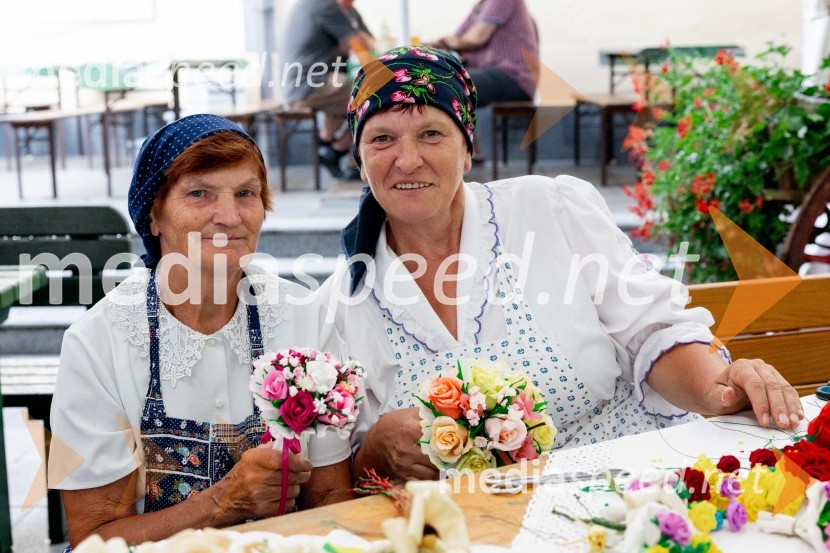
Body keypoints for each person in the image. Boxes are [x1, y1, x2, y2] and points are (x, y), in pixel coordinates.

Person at [302, 46, 804, 498]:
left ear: (467, 146)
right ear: (361, 159)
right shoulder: (340, 305)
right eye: (382, 139)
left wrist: (720, 388)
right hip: (469, 528)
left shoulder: (548, 209)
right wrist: (373, 453)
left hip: (627, 491)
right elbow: (337, 477)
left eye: (431, 133)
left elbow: (653, 333)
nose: (406, 160)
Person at [49, 114, 329, 547]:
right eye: (199, 193)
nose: (229, 216)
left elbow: (331, 497)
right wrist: (221, 503)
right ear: (154, 214)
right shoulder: (97, 343)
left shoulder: (305, 315)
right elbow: (94, 539)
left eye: (246, 193)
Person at [280, 0, 374, 179]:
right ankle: (347, 158)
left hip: (302, 85)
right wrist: (378, 76)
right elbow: (359, 46)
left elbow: (369, 42)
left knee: (350, 92)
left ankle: (327, 146)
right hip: (310, 85)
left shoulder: (324, 6)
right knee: (372, 96)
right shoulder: (325, 5)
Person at [428, 0, 538, 107]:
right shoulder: (480, 6)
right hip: (491, 73)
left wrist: (451, 43)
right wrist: (425, 46)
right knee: (436, 75)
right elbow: (457, 37)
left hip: (514, 78)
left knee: (444, 80)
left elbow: (476, 37)